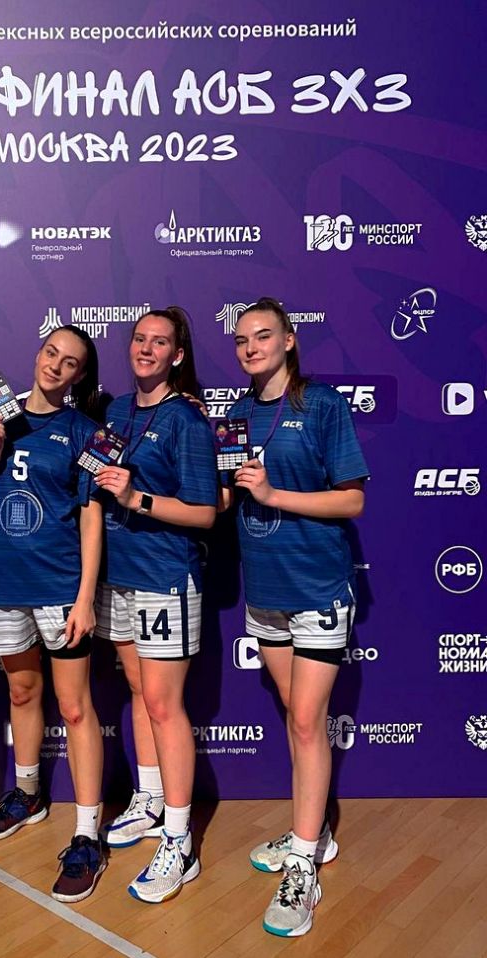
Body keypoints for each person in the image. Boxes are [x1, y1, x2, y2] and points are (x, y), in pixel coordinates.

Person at [223, 297, 368, 938]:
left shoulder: (322, 405)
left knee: (308, 721)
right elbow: (223, 495)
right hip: (265, 591)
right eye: (241, 340)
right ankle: (313, 832)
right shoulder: (236, 413)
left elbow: (352, 500)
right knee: (296, 716)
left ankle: (304, 863)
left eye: (262, 336)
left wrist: (273, 493)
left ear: (288, 340)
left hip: (318, 588)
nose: (250, 347)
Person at [0, 325, 106, 903]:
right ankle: (27, 794)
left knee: (75, 707)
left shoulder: (84, 431)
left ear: (80, 374)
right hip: (6, 585)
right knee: (22, 692)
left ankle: (87, 835)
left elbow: (91, 517)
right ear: (37, 354)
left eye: (70, 361)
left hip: (59, 587)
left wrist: (85, 596)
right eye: (51, 353)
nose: (56, 365)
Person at [93, 307, 217, 903]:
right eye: (139, 339)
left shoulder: (187, 419)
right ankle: (149, 798)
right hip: (117, 576)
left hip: (165, 577)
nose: (145, 349)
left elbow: (205, 513)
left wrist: (137, 498)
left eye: (159, 342)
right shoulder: (116, 410)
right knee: (140, 692)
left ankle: (179, 840)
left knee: (165, 705)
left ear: (177, 355)